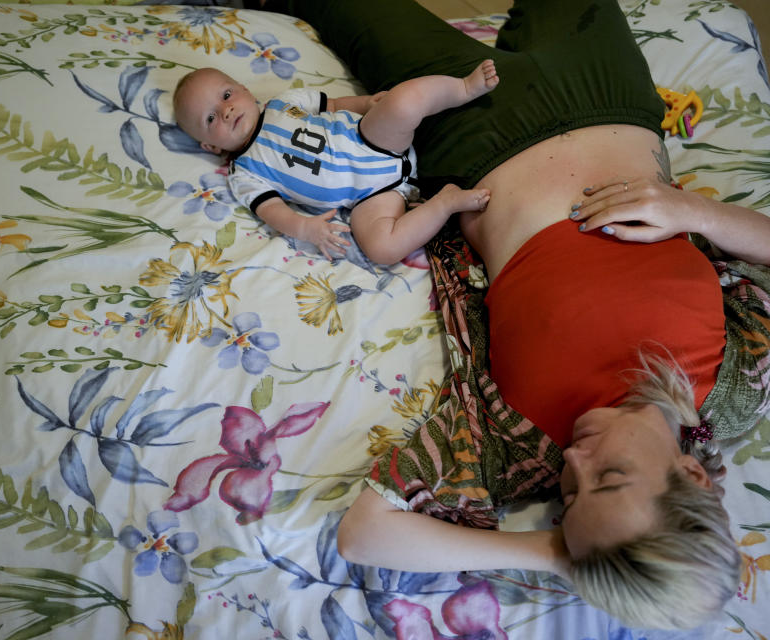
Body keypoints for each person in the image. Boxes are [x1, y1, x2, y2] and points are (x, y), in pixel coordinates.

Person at [259, 0, 770, 630]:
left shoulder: (518, 445)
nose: (576, 466)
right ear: (690, 472)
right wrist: (693, 214)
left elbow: (364, 535)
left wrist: (561, 555)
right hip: (607, 98)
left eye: (570, 499)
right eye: (608, 478)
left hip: (477, 130)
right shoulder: (738, 382)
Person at [172, 63, 499, 262]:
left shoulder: (282, 104)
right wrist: (307, 228)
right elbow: (272, 210)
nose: (226, 109)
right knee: (381, 248)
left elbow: (332, 105)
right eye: (211, 117)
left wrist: (366, 103)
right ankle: (443, 204)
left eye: (226, 95)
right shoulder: (244, 172)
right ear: (210, 146)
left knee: (402, 102)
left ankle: (463, 87)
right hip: (367, 197)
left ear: (243, 89)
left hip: (369, 138)